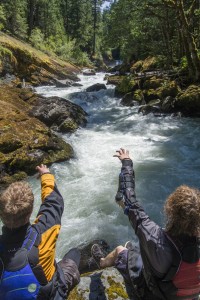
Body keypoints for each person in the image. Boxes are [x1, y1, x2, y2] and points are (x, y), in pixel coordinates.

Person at [91, 148, 200, 300]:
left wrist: (126, 162)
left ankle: (101, 263)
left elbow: (129, 199)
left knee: (121, 249)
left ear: (169, 208)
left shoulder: (154, 236)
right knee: (134, 247)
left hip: (154, 293)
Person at [0, 164, 80, 300]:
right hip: (50, 295)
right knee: (74, 254)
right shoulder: (43, 233)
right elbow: (54, 203)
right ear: (30, 211)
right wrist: (46, 175)